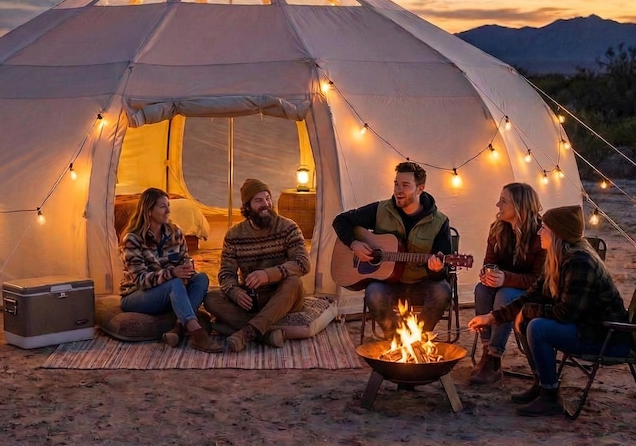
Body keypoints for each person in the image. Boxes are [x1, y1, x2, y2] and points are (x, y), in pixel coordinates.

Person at [468, 205, 630, 416]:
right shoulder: (557, 258)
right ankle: (542, 384)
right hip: (586, 329)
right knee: (527, 318)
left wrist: (527, 312)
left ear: (558, 234)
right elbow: (531, 295)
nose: (539, 232)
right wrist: (491, 317)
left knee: (538, 327)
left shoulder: (580, 263)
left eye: (544, 228)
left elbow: (566, 313)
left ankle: (550, 396)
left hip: (607, 337)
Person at [332, 161, 452, 337]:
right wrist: (354, 244)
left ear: (420, 189)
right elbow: (341, 220)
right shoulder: (381, 210)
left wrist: (436, 270)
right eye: (396, 184)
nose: (398, 190)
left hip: (421, 284)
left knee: (442, 292)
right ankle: (396, 338)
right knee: (374, 294)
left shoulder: (439, 222)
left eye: (405, 185)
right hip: (387, 283)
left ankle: (419, 338)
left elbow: (443, 272)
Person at [204, 178, 311, 353]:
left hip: (282, 297)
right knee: (211, 298)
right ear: (247, 207)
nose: (266, 204)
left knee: (294, 282)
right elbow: (226, 274)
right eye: (259, 201)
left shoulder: (288, 227)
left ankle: (245, 332)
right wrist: (236, 293)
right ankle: (266, 333)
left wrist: (268, 275)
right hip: (252, 299)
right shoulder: (234, 235)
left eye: (268, 199)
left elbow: (303, 263)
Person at [119, 187, 221, 353]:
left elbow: (184, 260)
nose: (168, 211)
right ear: (149, 210)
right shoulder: (133, 239)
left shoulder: (175, 233)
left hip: (170, 291)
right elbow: (141, 281)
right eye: (162, 207)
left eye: (168, 206)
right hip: (136, 295)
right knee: (174, 283)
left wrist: (187, 273)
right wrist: (173, 274)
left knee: (201, 278)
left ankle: (178, 328)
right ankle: (197, 333)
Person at [470, 182, 545, 385]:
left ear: (520, 206)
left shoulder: (541, 235)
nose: (497, 205)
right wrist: (487, 274)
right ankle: (487, 350)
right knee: (482, 289)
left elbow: (539, 280)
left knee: (506, 295)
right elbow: (490, 262)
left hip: (532, 293)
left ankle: (494, 356)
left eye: (503, 201)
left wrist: (506, 278)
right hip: (505, 286)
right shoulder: (498, 229)